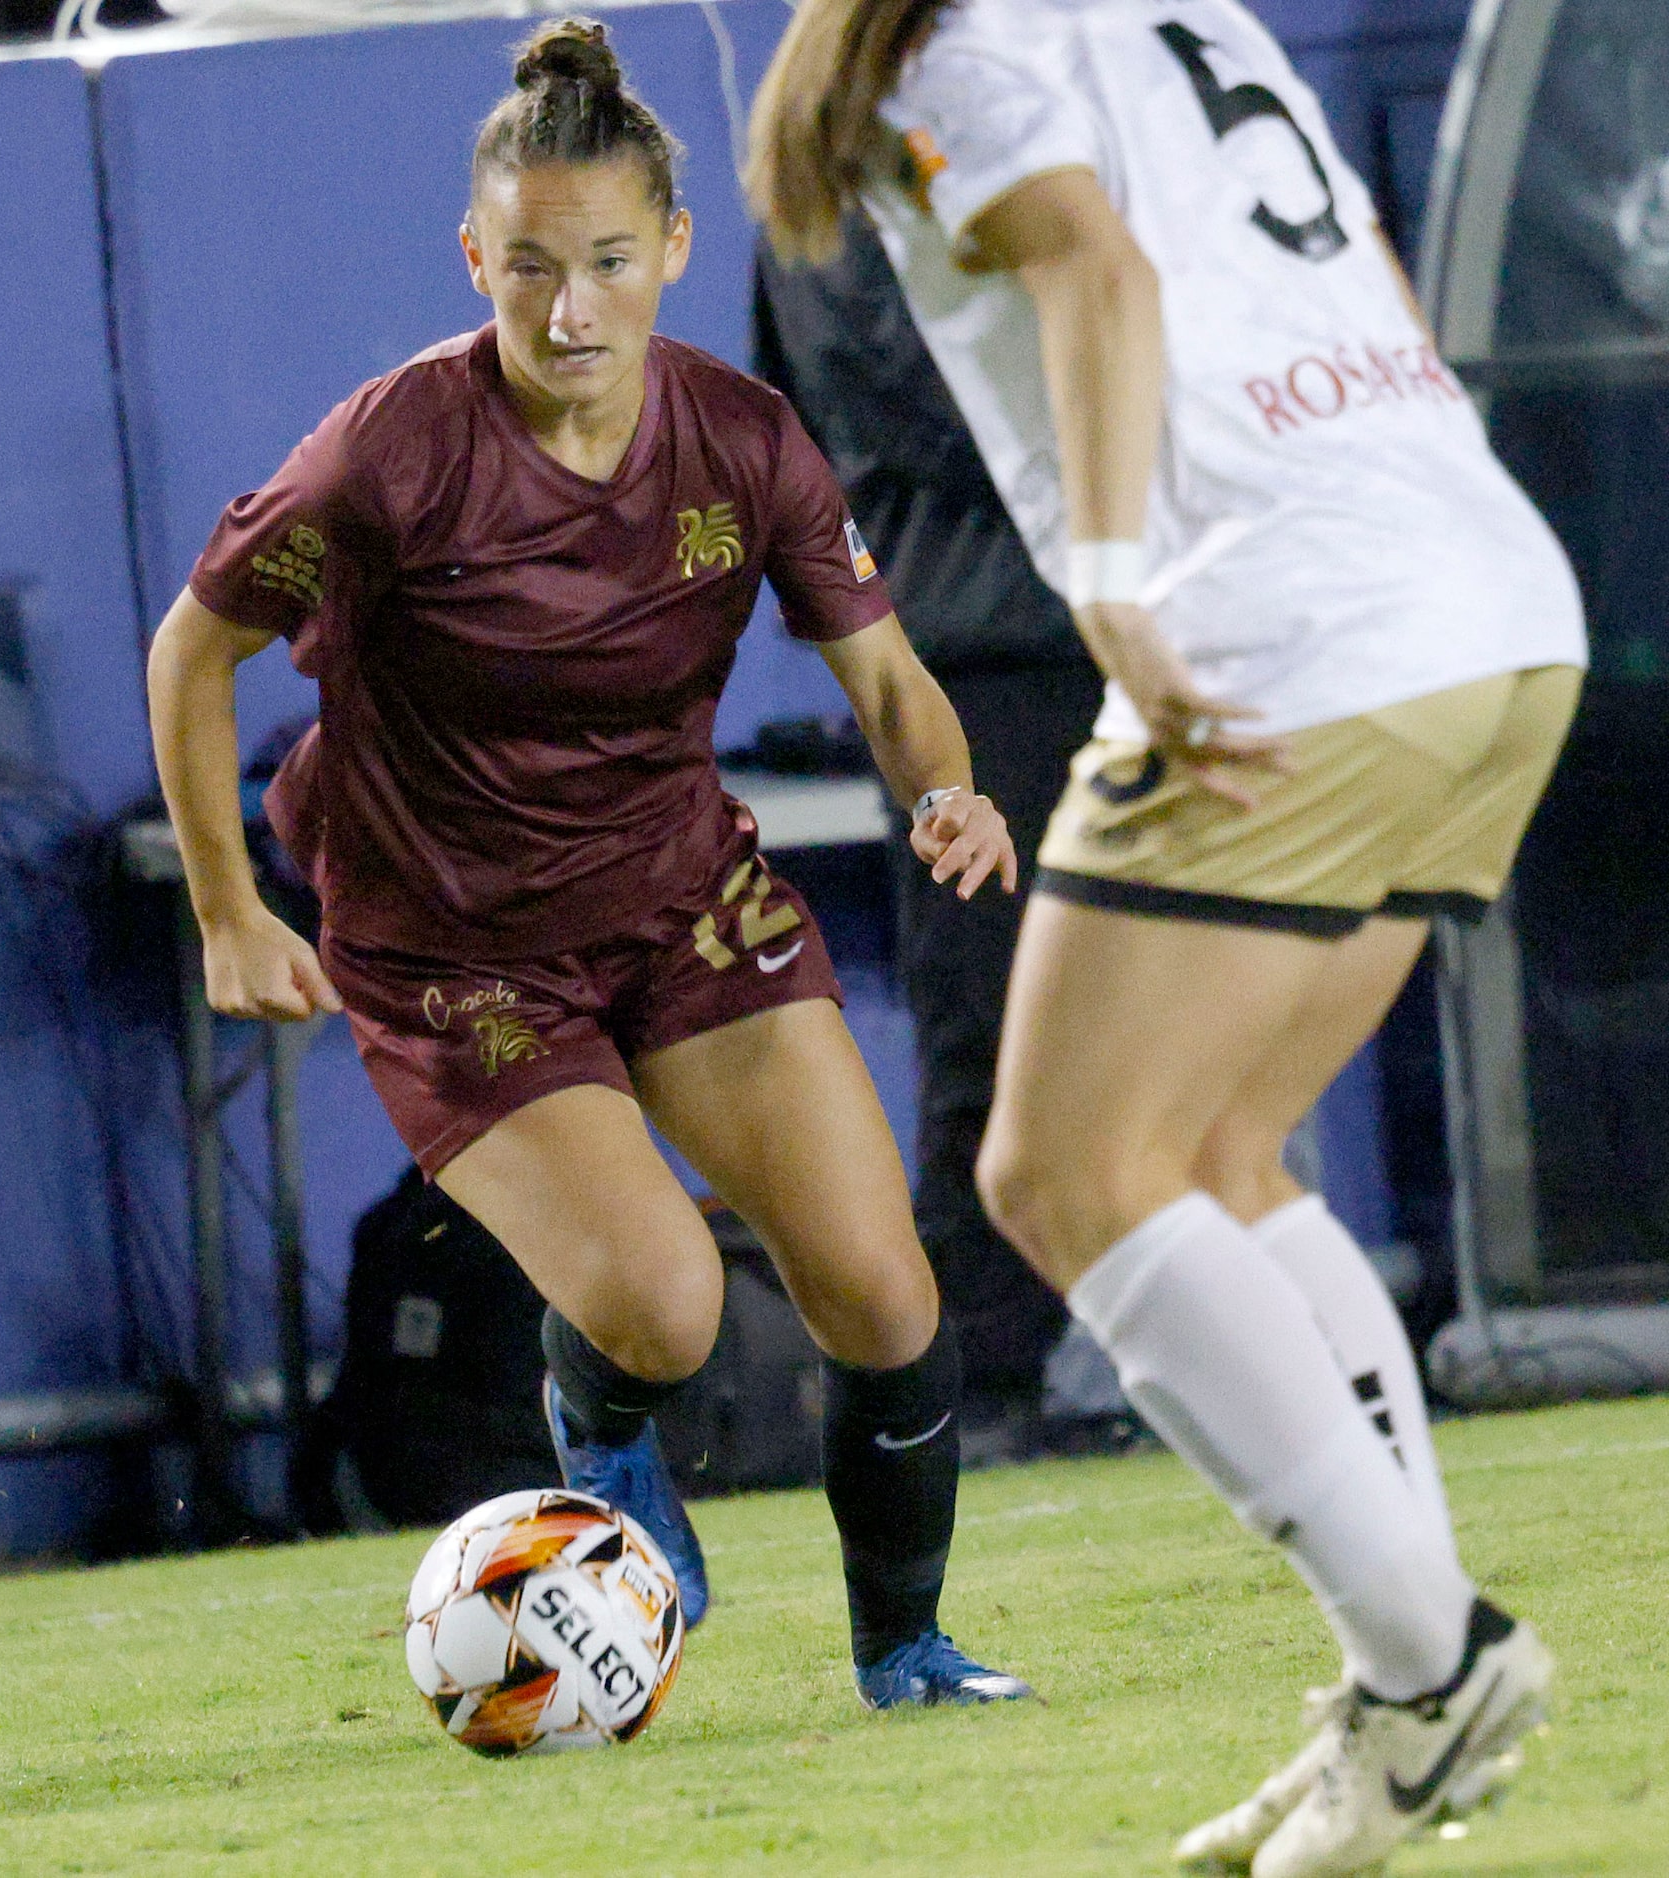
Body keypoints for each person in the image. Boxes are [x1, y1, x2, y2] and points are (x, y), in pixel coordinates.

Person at [747, 1, 1583, 1870]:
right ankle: (1404, 1699)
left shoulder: (956, 44)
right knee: (1214, 1156)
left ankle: (1430, 1662)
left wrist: (1117, 588)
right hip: (1486, 601)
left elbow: (1091, 265)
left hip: (1277, 624)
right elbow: (1355, 262)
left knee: (1059, 1167)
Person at [150, 15, 1030, 1709]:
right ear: (475, 255)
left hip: (683, 901)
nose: (570, 309)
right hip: (454, 945)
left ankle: (904, 1649)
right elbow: (193, 653)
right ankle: (602, 1427)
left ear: (674, 251)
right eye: (530, 268)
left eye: (611, 262)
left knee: (882, 1287)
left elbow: (893, 684)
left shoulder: (743, 440)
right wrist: (220, 904)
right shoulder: (384, 454)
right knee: (668, 1307)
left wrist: (946, 792)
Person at [752, 211, 1100, 1441]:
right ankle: (972, 1399)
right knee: (991, 1043)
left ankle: (1128, 1366)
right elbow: (934, 409)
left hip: (1117, 636)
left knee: (1177, 1040)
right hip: (978, 675)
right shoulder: (823, 201)